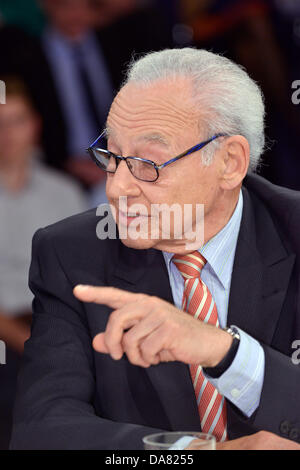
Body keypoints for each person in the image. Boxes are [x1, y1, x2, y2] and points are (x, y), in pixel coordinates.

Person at [10, 48, 300, 450]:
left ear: (230, 163)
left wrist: (223, 351)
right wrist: (186, 455)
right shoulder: (71, 254)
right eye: (112, 156)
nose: (117, 188)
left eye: (148, 163)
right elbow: (42, 432)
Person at [0, 76, 86, 449]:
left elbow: (85, 274)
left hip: (57, 326)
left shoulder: (65, 192)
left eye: (16, 121)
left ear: (34, 125)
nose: (7, 134)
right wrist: (24, 339)